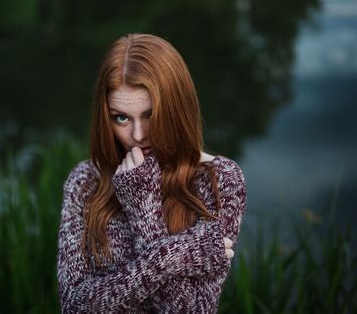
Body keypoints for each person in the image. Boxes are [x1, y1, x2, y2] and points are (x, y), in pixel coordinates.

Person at [57, 33, 247, 313]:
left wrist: (142, 208)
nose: (137, 135)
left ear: (176, 107)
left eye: (150, 115)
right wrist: (178, 254)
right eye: (121, 117)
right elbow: (74, 306)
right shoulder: (86, 181)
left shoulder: (219, 180)